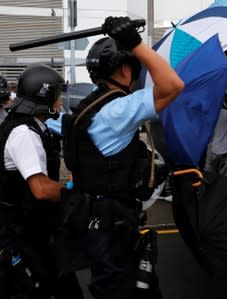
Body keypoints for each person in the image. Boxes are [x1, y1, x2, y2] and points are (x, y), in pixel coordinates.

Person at [62, 16, 183, 299]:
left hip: (95, 222)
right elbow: (173, 85)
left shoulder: (86, 108)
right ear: (125, 69)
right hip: (113, 229)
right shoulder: (118, 111)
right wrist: (135, 42)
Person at [0, 64, 84, 298]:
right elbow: (41, 189)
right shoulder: (24, 134)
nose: (60, 101)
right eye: (57, 95)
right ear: (44, 96)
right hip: (26, 234)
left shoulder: (29, 126)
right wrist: (78, 193)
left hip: (32, 228)